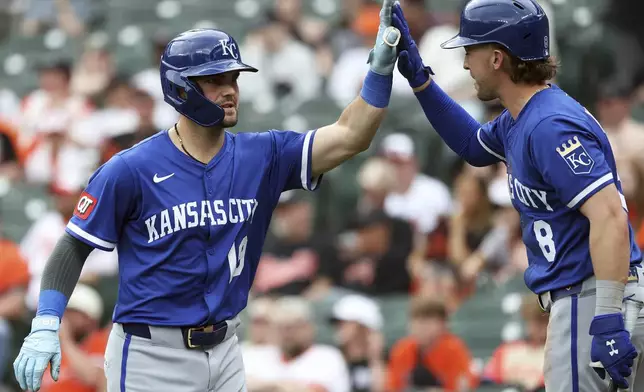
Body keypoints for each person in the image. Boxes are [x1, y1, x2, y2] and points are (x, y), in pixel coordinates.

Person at [12, 0, 402, 390]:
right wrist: (46, 322)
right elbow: (73, 246)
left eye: (233, 79)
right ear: (181, 88)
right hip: (153, 356)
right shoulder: (130, 169)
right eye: (215, 80)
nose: (230, 90)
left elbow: (351, 136)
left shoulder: (262, 155)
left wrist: (380, 69)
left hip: (228, 348)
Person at [390, 0, 644, 391]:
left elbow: (609, 215)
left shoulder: (549, 125)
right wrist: (422, 82)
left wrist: (607, 315)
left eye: (469, 51)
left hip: (592, 296)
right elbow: (473, 146)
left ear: (496, 58)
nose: (463, 64)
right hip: (596, 293)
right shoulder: (525, 116)